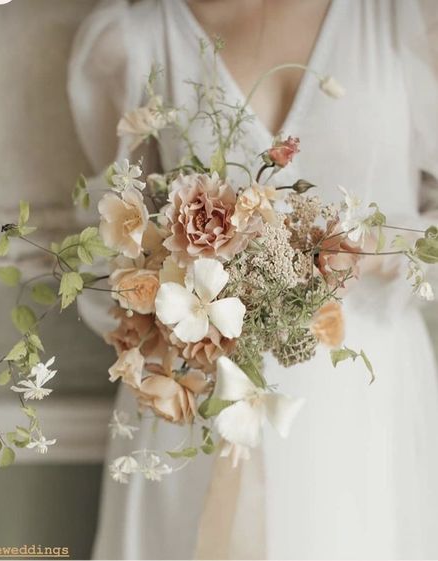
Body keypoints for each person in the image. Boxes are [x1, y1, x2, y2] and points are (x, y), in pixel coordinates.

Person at [68, 0, 438, 558]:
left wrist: (361, 252)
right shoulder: (134, 38)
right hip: (196, 398)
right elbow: (106, 245)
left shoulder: (406, 18)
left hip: (364, 407)